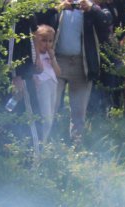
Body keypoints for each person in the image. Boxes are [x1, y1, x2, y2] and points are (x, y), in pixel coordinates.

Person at [55, 0, 111, 139]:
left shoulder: (90, 7)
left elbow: (106, 22)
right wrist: (57, 7)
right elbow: (39, 17)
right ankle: (49, 143)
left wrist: (92, 8)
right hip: (57, 62)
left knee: (78, 113)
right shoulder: (57, 4)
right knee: (51, 106)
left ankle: (76, 144)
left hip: (82, 63)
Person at [32, 25, 61, 142]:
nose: (47, 44)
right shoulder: (35, 56)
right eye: (43, 41)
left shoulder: (50, 55)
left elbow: (58, 73)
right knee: (46, 117)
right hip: (42, 84)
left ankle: (44, 142)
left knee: (51, 116)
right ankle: (40, 142)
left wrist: (53, 58)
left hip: (53, 83)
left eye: (50, 41)